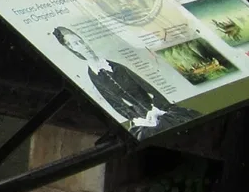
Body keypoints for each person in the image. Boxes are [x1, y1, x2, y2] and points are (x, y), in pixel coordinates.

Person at [50, 26, 198, 136]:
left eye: (81, 41)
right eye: (76, 44)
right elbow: (115, 104)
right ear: (72, 50)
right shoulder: (94, 76)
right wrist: (136, 118)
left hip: (158, 109)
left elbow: (147, 87)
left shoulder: (115, 66)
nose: (84, 46)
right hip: (142, 120)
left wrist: (159, 107)